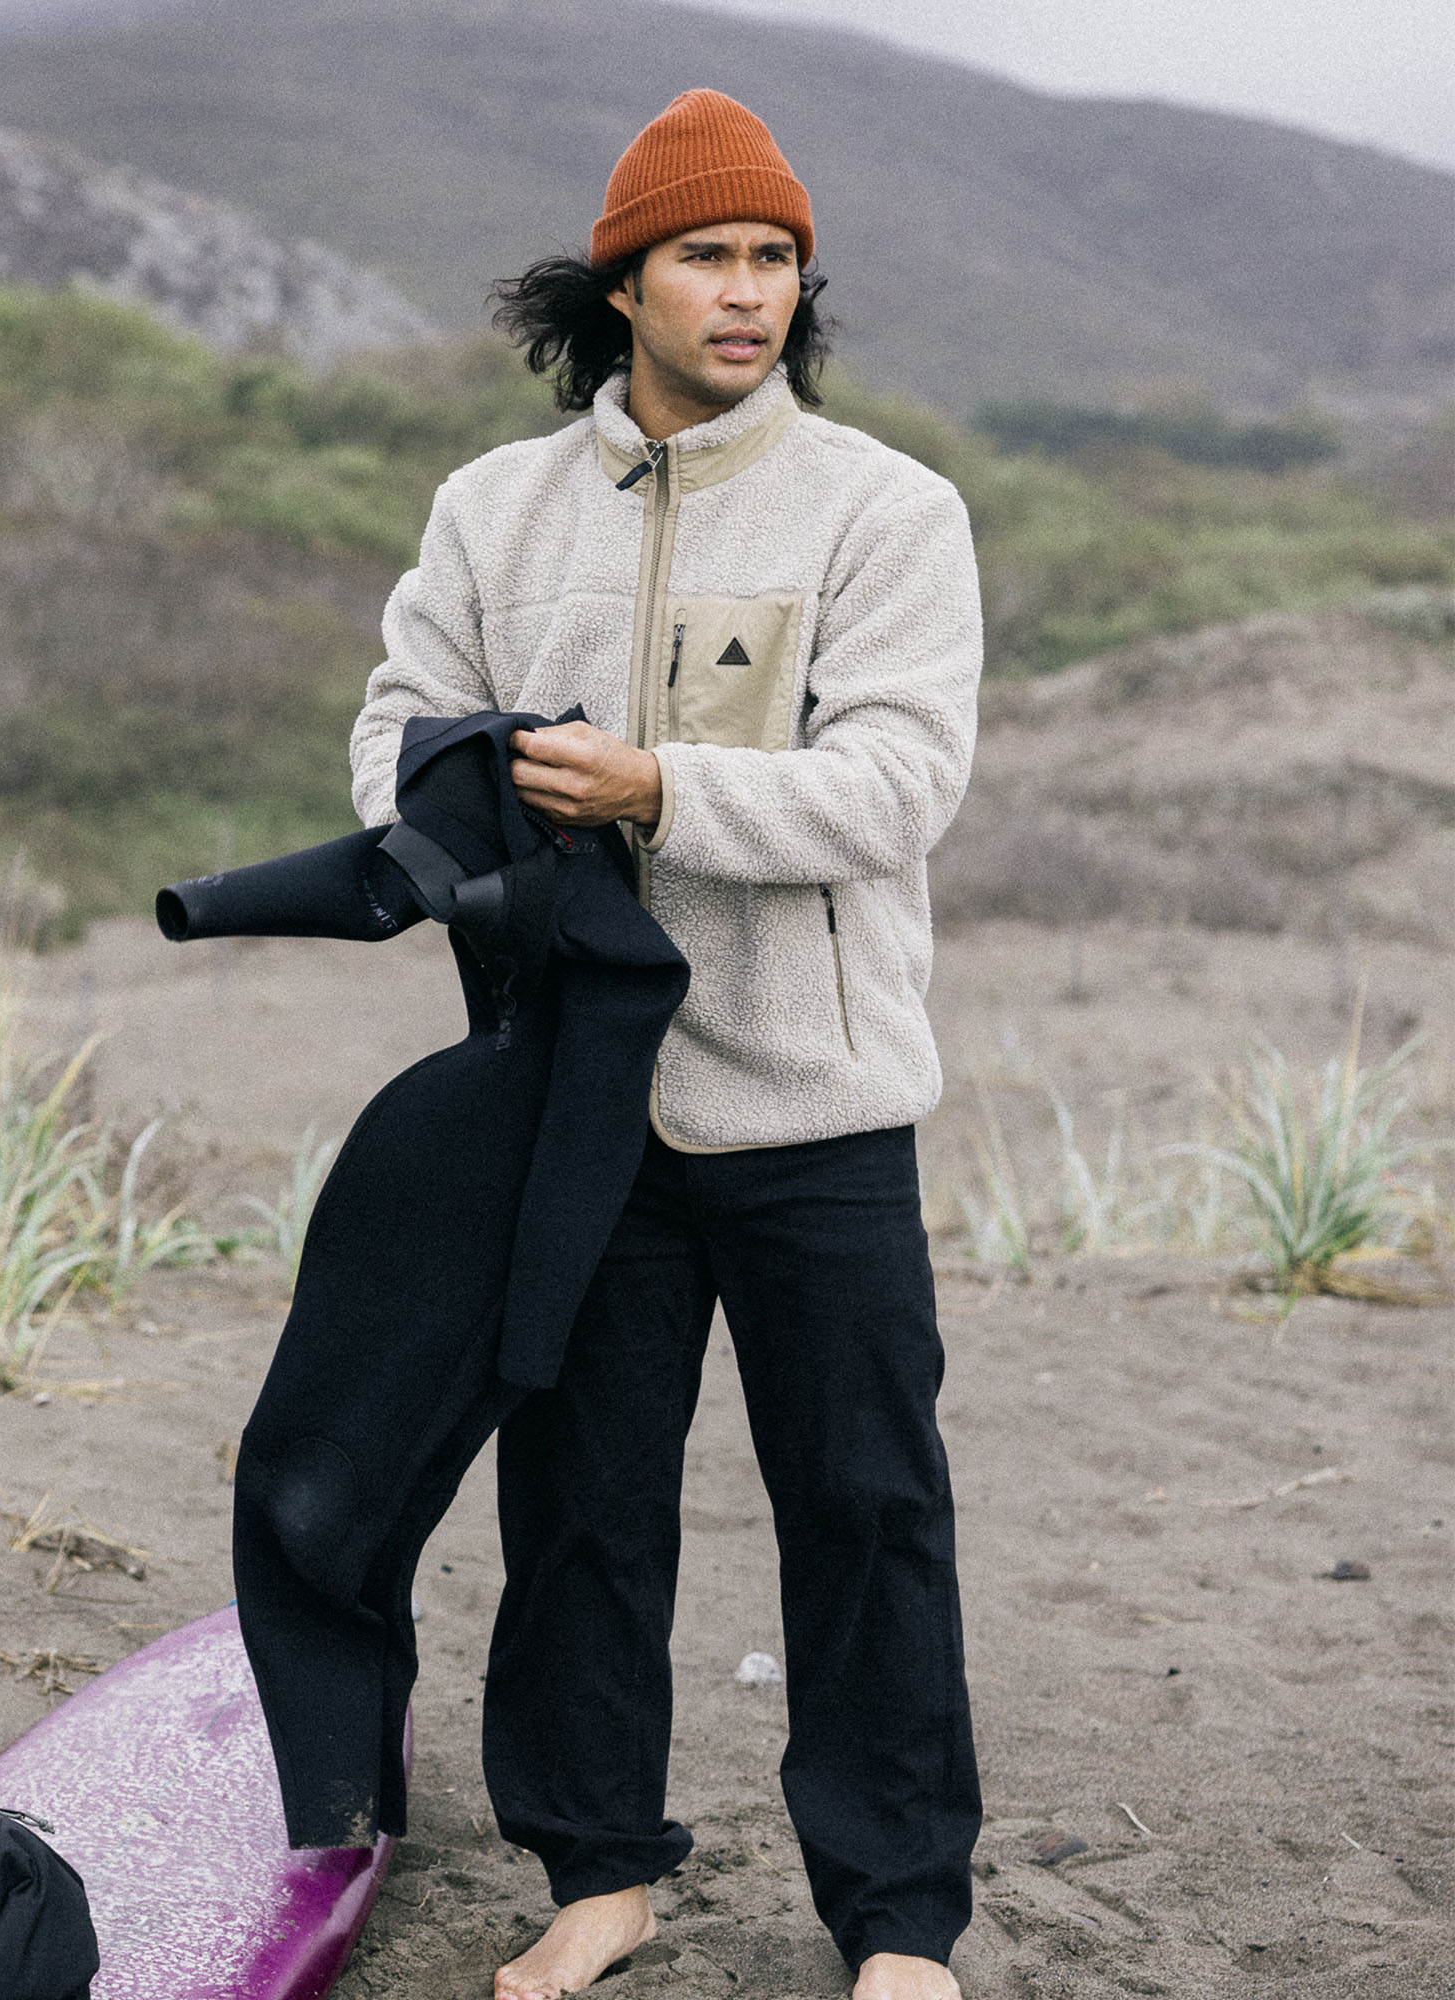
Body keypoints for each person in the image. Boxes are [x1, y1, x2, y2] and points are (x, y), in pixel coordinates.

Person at [348, 89, 983, 2000]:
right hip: (578, 1103)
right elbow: (395, 732)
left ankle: (897, 1922)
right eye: (706, 255)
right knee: (580, 1505)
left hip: (817, 1099)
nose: (746, 292)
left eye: (775, 258)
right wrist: (465, 814)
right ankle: (601, 1875)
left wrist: (654, 790)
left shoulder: (889, 510)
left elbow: (897, 785)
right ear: (621, 281)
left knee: (868, 1510)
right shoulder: (492, 506)